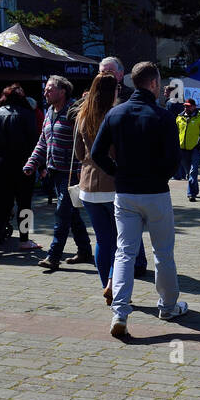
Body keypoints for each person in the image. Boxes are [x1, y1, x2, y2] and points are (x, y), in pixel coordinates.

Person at [91, 61, 186, 337]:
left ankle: (120, 312)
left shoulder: (115, 114)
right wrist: (160, 177)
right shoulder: (164, 117)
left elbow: (98, 154)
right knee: (163, 252)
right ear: (154, 84)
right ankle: (168, 306)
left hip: (125, 193)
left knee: (124, 252)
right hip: (155, 192)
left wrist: (118, 173)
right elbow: (174, 160)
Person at [72, 72, 147, 293]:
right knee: (122, 243)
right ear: (113, 91)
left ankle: (106, 283)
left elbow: (78, 153)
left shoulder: (82, 116)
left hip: (88, 187)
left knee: (103, 241)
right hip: (114, 184)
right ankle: (115, 283)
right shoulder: (116, 115)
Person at [24, 75, 94, 271]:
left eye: (50, 88)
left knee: (62, 214)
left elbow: (84, 141)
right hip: (54, 171)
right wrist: (32, 163)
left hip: (71, 173)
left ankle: (53, 256)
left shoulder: (75, 111)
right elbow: (43, 141)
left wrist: (81, 170)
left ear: (63, 91)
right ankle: (85, 251)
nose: (46, 92)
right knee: (71, 214)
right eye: (46, 88)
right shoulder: (49, 111)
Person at [0, 84, 39, 254]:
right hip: (22, 164)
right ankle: (24, 239)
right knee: (25, 203)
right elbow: (34, 142)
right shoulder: (27, 115)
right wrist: (38, 165)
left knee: (2, 203)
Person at [176, 98, 200, 202]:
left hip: (195, 149)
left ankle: (191, 194)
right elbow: (175, 133)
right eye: (185, 106)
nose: (186, 108)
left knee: (193, 171)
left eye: (189, 106)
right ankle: (195, 189)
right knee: (188, 173)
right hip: (182, 149)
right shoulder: (179, 118)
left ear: (194, 106)